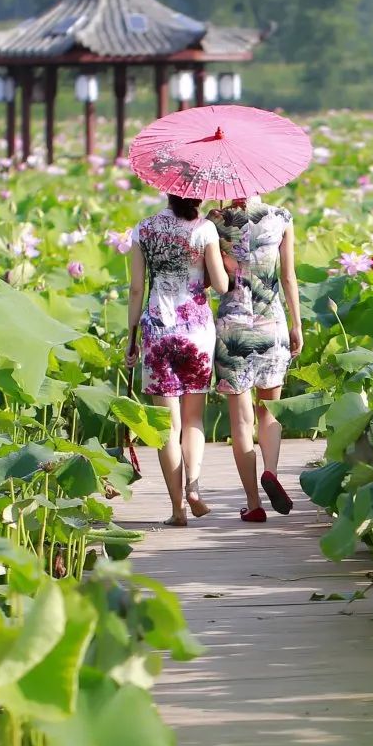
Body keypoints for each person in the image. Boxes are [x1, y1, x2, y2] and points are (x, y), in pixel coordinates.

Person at [126, 193, 228, 526]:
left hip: (157, 331)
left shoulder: (143, 229)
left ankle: (177, 510)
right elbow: (223, 285)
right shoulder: (206, 230)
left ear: (167, 192)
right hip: (197, 331)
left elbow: (137, 290)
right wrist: (217, 270)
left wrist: (131, 338)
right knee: (193, 421)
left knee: (167, 428)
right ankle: (194, 488)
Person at [211, 195, 303, 522]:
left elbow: (211, 278)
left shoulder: (216, 221)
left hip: (232, 327)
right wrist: (297, 324)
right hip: (272, 323)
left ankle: (253, 503)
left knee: (240, 421)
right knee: (269, 411)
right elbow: (289, 277)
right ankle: (272, 471)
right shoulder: (281, 217)